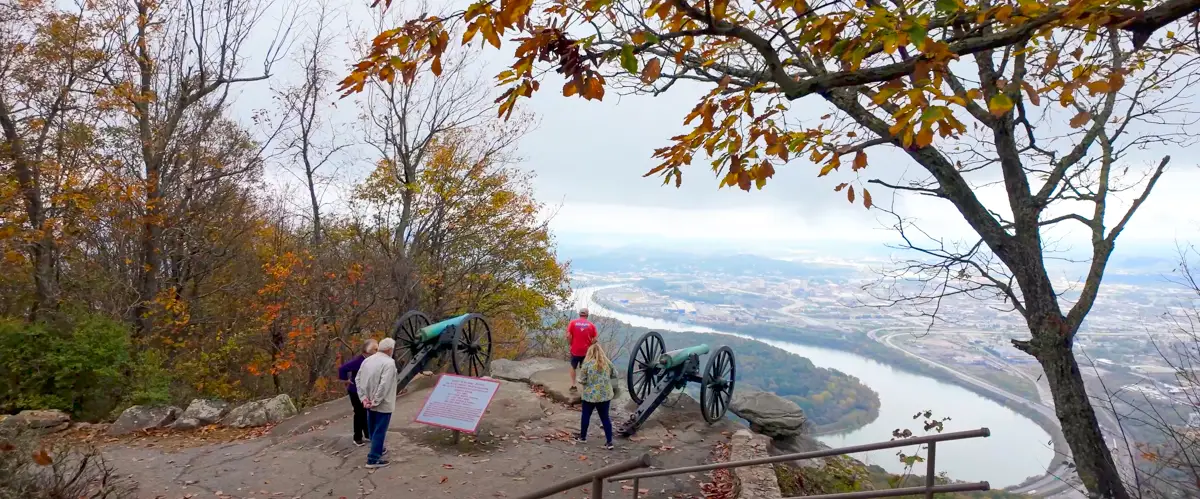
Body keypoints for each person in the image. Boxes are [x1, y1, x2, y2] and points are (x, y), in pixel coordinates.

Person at [355, 337, 399, 468]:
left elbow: (358, 379)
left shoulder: (367, 360)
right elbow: (384, 385)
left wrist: (364, 399)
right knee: (380, 430)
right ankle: (373, 459)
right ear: (390, 349)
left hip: (368, 401)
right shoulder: (389, 363)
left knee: (373, 428)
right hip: (382, 403)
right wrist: (376, 401)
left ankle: (378, 448)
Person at [338, 339, 378, 446]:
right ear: (367, 351)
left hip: (365, 391)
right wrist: (345, 380)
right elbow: (342, 368)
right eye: (375, 349)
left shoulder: (372, 360)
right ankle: (357, 438)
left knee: (366, 412)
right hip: (355, 391)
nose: (377, 351)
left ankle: (368, 434)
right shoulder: (358, 361)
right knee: (359, 413)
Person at [576, 342, 616, 449]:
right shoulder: (607, 363)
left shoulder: (587, 365)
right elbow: (615, 374)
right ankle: (609, 442)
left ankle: (583, 437)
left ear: (589, 352)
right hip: (605, 396)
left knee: (585, 416)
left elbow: (582, 380)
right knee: (605, 418)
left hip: (589, 396)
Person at [566, 307, 597, 391]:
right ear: (587, 315)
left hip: (575, 350)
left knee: (573, 366)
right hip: (586, 351)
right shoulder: (591, 325)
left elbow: (568, 335)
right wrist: (590, 345)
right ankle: (585, 387)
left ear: (579, 314)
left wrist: (571, 343)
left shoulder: (573, 323)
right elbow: (595, 339)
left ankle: (573, 385)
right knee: (585, 368)